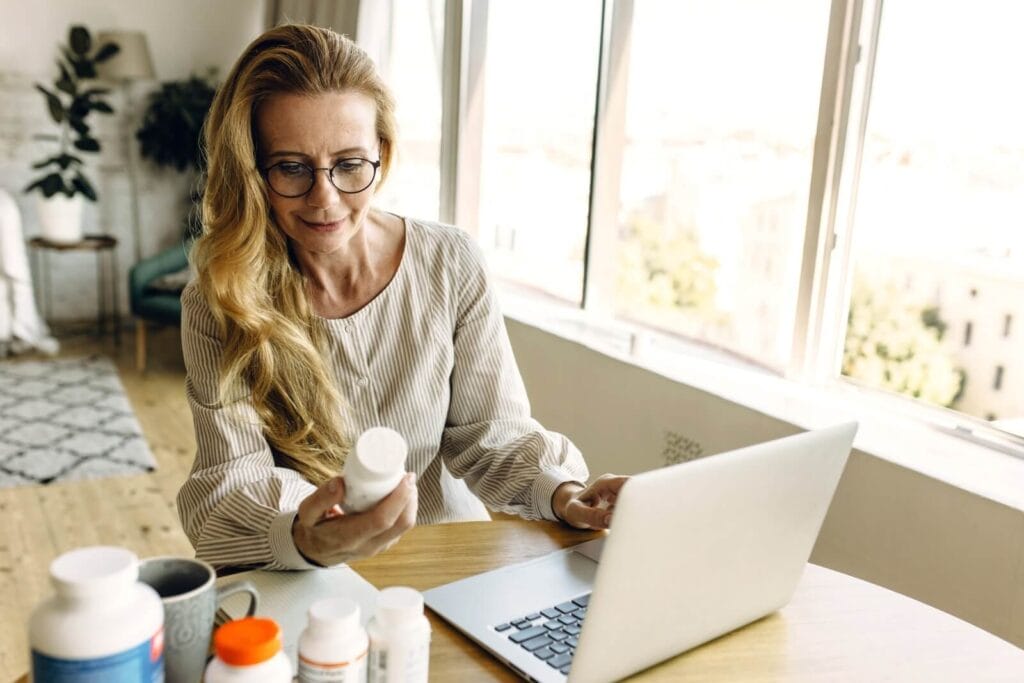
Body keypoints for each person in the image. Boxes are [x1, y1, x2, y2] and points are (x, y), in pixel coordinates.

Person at [177, 23, 627, 571]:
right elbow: (233, 480)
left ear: (381, 154)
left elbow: (492, 435)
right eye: (291, 168)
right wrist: (306, 536)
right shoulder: (220, 302)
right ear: (253, 171)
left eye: (348, 164)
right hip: (304, 571)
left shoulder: (451, 262)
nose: (325, 199)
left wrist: (564, 492)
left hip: (446, 559)